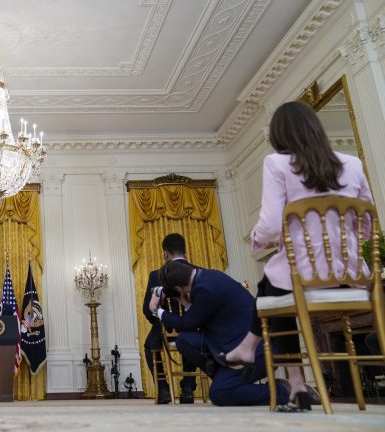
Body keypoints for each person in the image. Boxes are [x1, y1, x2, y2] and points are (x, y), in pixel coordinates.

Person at [222, 101, 372, 412]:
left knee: (268, 294)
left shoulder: (278, 164)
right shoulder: (353, 163)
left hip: (301, 277)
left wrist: (257, 240)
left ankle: (293, 380)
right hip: (351, 277)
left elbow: (272, 223)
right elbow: (367, 224)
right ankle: (268, 364)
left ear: (279, 136)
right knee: (269, 287)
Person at [150, 260, 290, 407]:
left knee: (220, 393)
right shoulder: (207, 277)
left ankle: (285, 392)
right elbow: (199, 318)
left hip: (259, 350)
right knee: (185, 341)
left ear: (179, 287)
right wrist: (183, 300)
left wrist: (156, 310)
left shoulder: (205, 290)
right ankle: (225, 379)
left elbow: (185, 324)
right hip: (230, 342)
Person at [141, 233, 197, 404]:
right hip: (194, 325)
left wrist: (159, 321)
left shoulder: (156, 275)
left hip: (165, 325)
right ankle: (188, 387)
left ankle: (163, 389)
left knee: (149, 345)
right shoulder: (197, 271)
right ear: (185, 252)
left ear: (165, 253)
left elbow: (146, 309)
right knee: (191, 335)